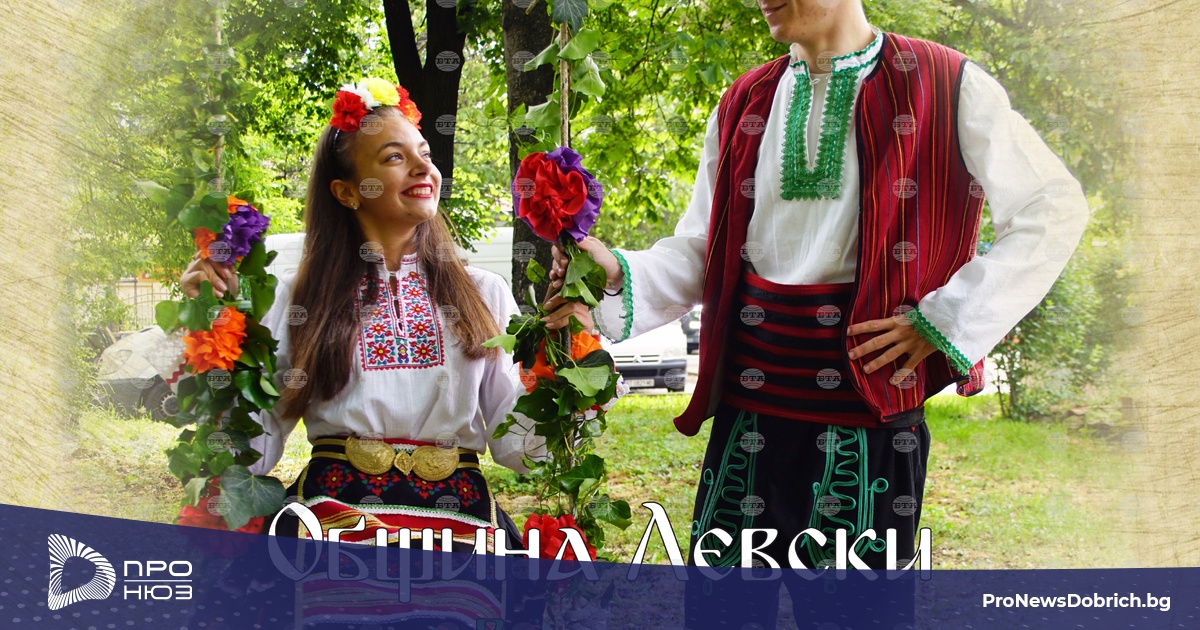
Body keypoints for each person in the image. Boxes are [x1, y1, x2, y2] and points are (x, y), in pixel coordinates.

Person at [549, 0, 1090, 625]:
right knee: (724, 615)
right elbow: (706, 247)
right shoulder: (744, 100)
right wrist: (619, 268)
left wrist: (946, 319)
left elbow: (1052, 207)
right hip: (749, 414)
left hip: (867, 416)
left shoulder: (945, 81)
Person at [179, 77, 597, 550]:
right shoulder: (299, 298)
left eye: (425, 153)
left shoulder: (484, 292)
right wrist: (216, 331)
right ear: (346, 191)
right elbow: (252, 453)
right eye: (395, 157)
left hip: (460, 526)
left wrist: (571, 368)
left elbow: (520, 449)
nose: (423, 168)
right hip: (333, 529)